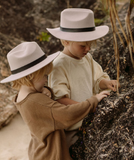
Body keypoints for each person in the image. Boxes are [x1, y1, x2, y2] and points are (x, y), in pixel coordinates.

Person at [0, 42, 109, 159]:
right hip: (51, 154)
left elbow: (44, 107)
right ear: (32, 75)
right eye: (44, 76)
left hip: (38, 150)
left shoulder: (22, 97)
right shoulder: (36, 101)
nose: (46, 80)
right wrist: (93, 101)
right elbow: (67, 114)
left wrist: (46, 90)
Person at [46, 8, 118, 146]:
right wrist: (87, 106)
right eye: (83, 45)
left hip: (90, 118)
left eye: (91, 44)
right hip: (72, 127)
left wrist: (106, 83)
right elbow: (61, 99)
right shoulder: (59, 65)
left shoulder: (87, 58)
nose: (88, 49)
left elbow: (96, 80)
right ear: (66, 41)